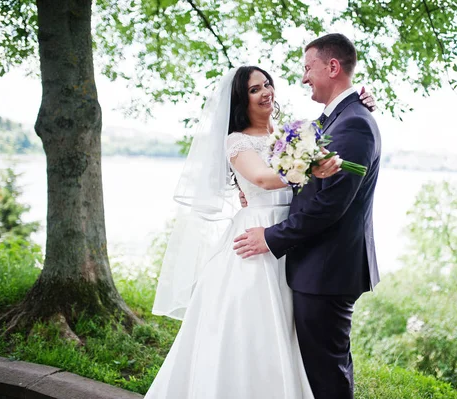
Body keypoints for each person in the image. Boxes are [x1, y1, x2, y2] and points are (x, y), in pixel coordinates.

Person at [145, 65, 376, 398]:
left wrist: (361, 100)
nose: (265, 92)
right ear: (242, 100)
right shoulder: (236, 142)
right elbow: (264, 179)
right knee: (251, 328)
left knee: (292, 331)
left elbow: (335, 124)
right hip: (255, 238)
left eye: (267, 84)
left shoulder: (289, 134)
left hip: (292, 239)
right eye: (255, 89)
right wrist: (309, 165)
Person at [233, 34, 381, 399]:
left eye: (307, 68)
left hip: (326, 268)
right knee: (313, 363)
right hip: (313, 264)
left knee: (326, 371)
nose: (302, 79)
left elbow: (330, 204)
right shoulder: (338, 119)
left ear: (332, 67)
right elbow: (301, 156)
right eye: (256, 89)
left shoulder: (354, 124)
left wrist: (270, 237)